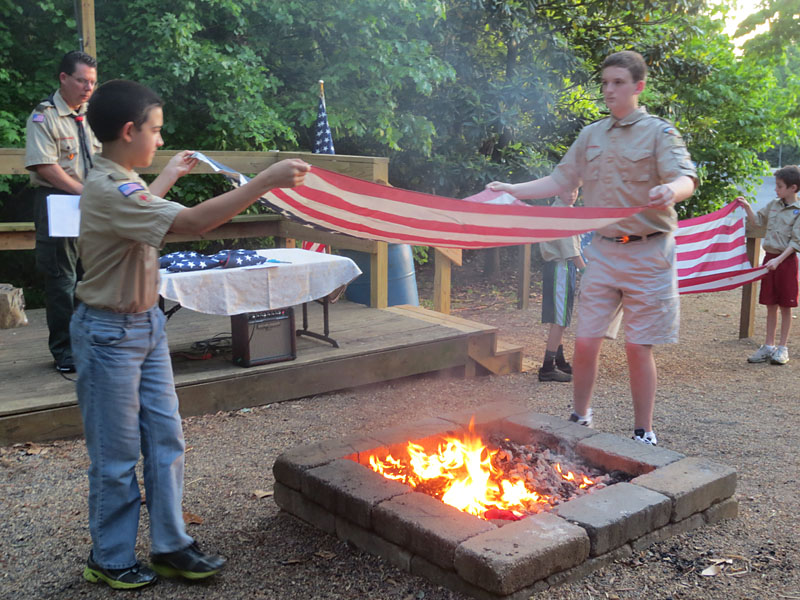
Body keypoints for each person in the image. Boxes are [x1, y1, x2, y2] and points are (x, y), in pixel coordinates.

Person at [71, 79, 310, 589]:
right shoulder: (108, 187)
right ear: (130, 130)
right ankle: (109, 558)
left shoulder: (121, 180)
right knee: (116, 457)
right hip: (109, 334)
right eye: (155, 131)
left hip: (146, 325)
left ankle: (170, 545)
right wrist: (264, 180)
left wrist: (170, 177)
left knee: (165, 439)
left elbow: (141, 213)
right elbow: (196, 223)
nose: (160, 141)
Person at [488, 50, 697, 446]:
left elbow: (686, 177)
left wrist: (671, 189)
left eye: (618, 82)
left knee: (638, 346)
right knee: (585, 340)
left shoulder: (660, 132)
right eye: (604, 83)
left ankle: (643, 432)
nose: (608, 90)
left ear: (638, 86)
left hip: (650, 253)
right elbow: (559, 179)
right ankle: (580, 417)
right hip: (603, 250)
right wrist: (513, 189)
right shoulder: (591, 136)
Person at [24, 50, 101, 373]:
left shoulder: (93, 115)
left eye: (93, 82)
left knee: (93, 276)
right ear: (64, 78)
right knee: (62, 279)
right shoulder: (44, 116)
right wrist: (87, 192)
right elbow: (45, 165)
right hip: (59, 202)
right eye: (82, 80)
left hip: (93, 205)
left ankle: (91, 342)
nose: (87, 88)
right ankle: (65, 351)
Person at [735, 165, 800, 365]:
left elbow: (796, 242)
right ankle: (768, 346)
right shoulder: (773, 204)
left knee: (785, 306)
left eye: (779, 186)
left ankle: (782, 348)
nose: (775, 189)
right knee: (770, 304)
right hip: (769, 260)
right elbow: (757, 223)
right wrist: (746, 207)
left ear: (793, 188)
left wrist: (778, 260)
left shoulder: (798, 211)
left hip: (785, 262)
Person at [537, 188, 586, 383]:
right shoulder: (562, 213)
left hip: (560, 268)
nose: (571, 194)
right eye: (568, 190)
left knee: (561, 316)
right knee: (560, 319)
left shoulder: (562, 209)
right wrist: (586, 273)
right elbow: (572, 252)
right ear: (558, 190)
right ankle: (548, 367)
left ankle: (560, 360)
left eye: (574, 190)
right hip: (561, 268)